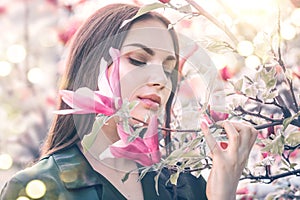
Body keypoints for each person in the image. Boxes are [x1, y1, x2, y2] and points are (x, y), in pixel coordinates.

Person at [0, 3, 258, 200]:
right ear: (91, 67)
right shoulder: (41, 187)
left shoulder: (187, 187)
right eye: (137, 60)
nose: (161, 80)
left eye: (169, 68)